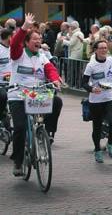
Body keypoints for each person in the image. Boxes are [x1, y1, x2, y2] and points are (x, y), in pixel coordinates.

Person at [8, 13, 63, 176]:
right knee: (19, 127)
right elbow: (15, 43)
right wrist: (24, 27)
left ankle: (47, 132)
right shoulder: (18, 53)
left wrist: (55, 80)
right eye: (35, 39)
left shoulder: (42, 55)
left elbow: (50, 69)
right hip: (17, 95)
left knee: (57, 102)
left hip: (35, 95)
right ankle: (18, 161)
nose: (39, 42)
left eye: (40, 39)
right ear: (26, 42)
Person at [0, 28, 13, 130]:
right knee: (3, 96)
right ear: (9, 37)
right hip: (1, 84)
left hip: (13, 83)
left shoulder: (13, 48)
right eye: (12, 36)